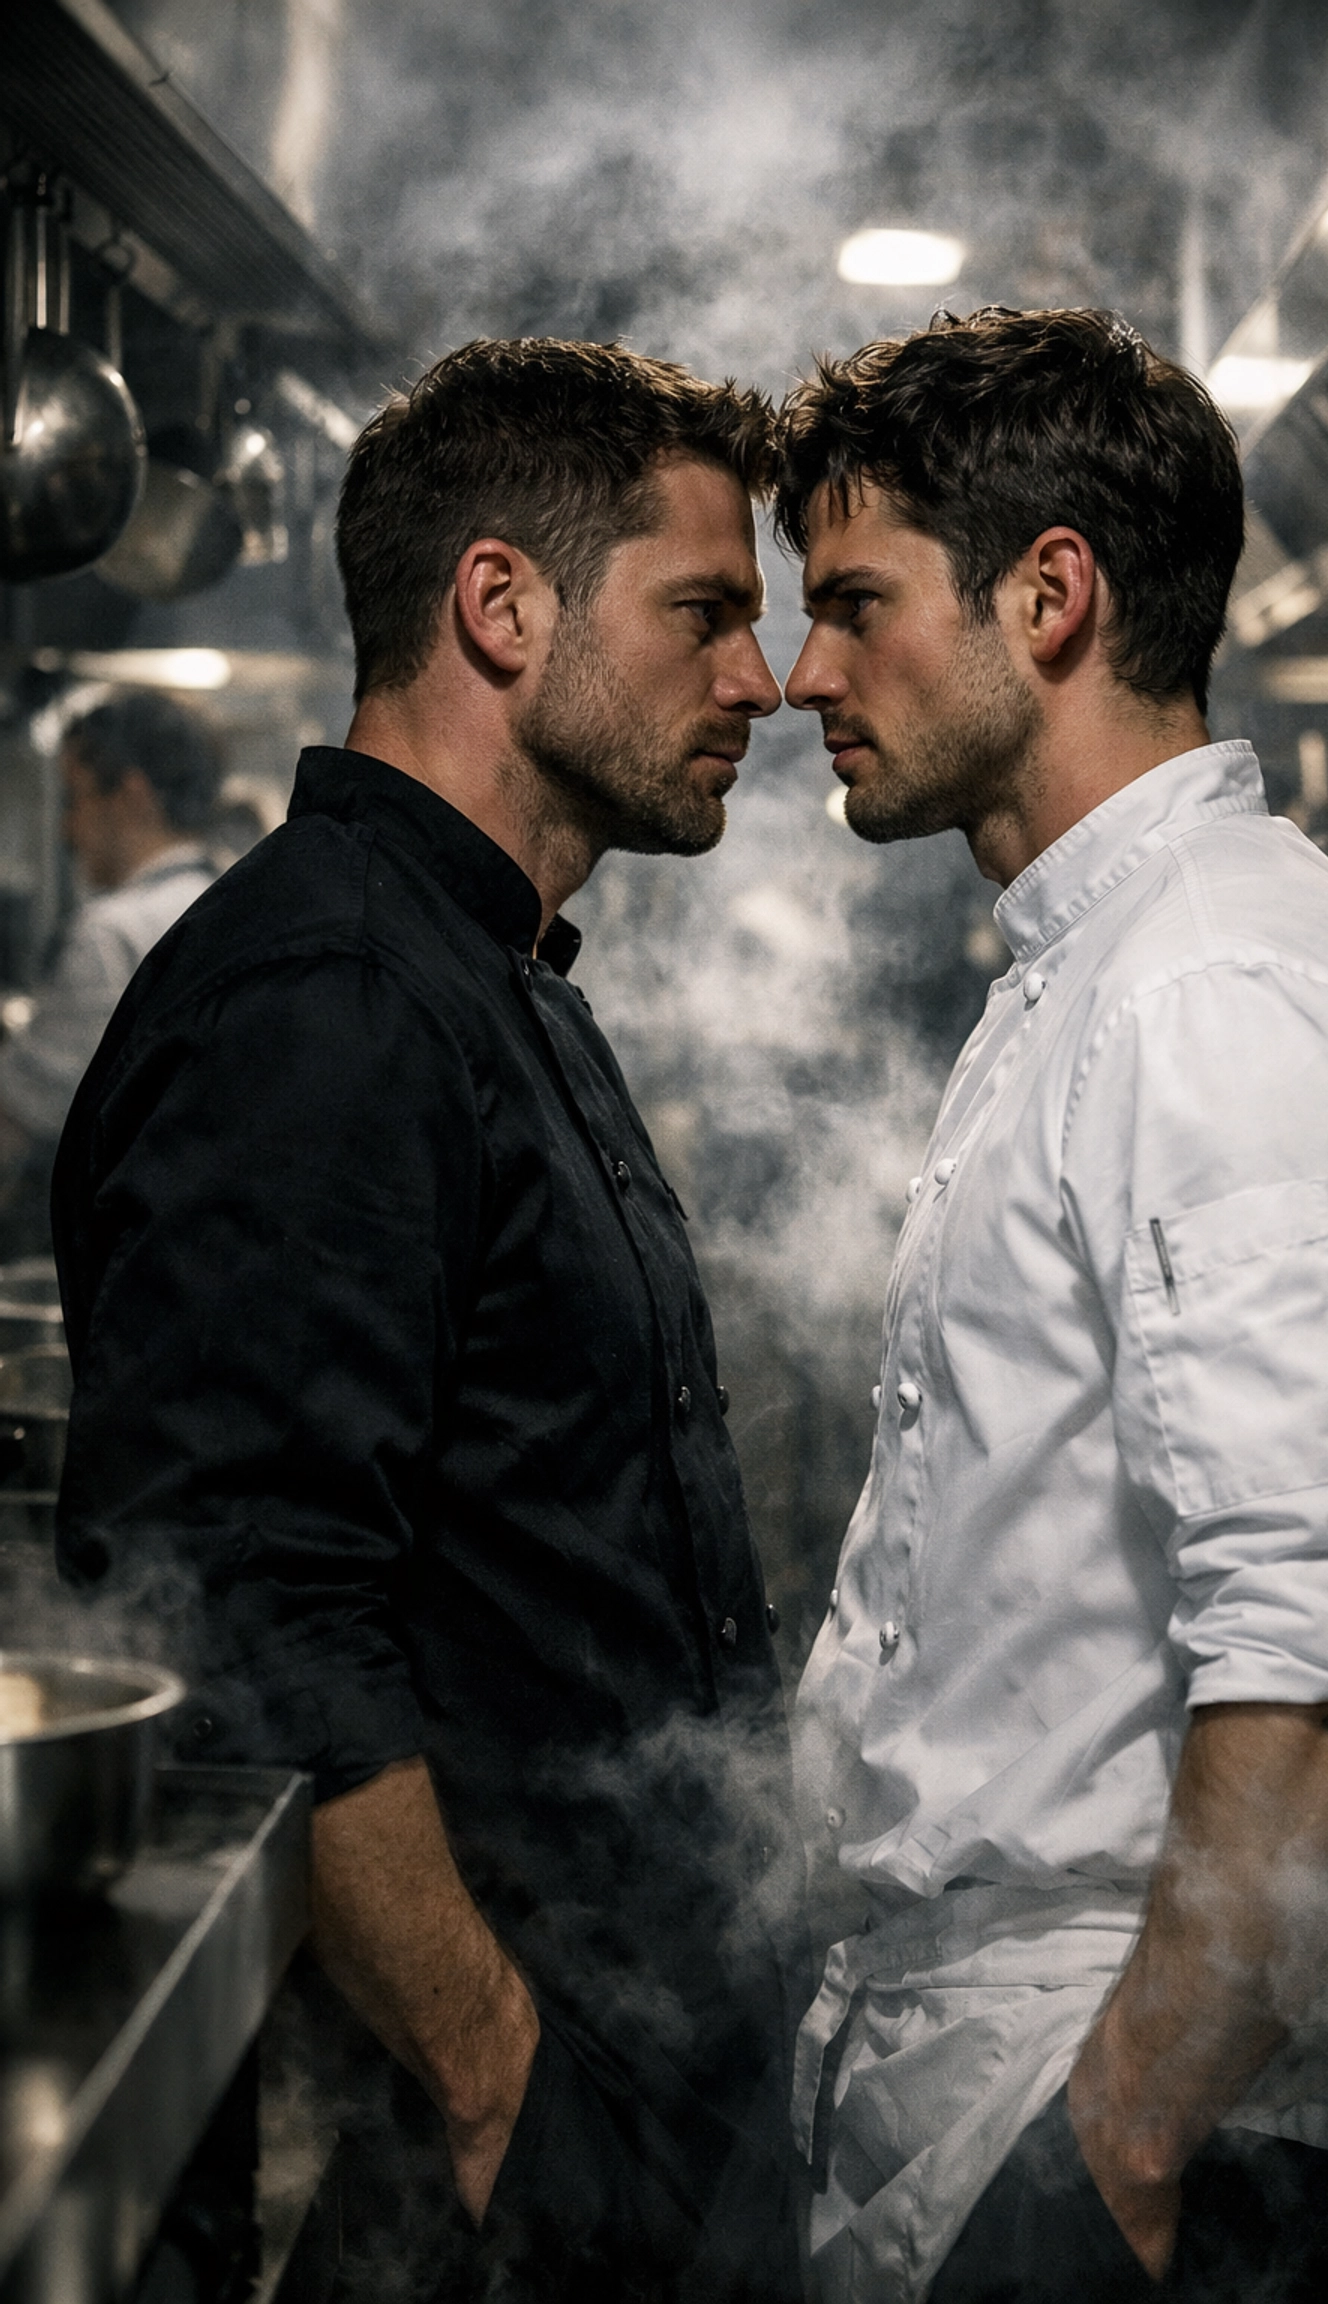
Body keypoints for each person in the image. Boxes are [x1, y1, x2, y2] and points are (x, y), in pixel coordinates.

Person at [775, 307, 1328, 2304]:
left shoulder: (1215, 993)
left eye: (852, 605)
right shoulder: (1096, 968)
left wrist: (1125, 2122)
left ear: (1052, 593)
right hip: (1005, 2092)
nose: (800, 672)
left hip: (1111, 2125)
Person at [51, 339, 805, 2303]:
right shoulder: (334, 997)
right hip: (485, 2125)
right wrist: (489, 2081)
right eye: (708, 613)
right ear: (498, 605)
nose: (766, 679)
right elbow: (250, 1606)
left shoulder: (493, 974)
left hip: (630, 2080)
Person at [0, 690, 221, 1255]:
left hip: (138, 1249)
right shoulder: (237, 900)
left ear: (131, 797)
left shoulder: (111, 933)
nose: (66, 832)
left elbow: (18, 1116)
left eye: (74, 801)